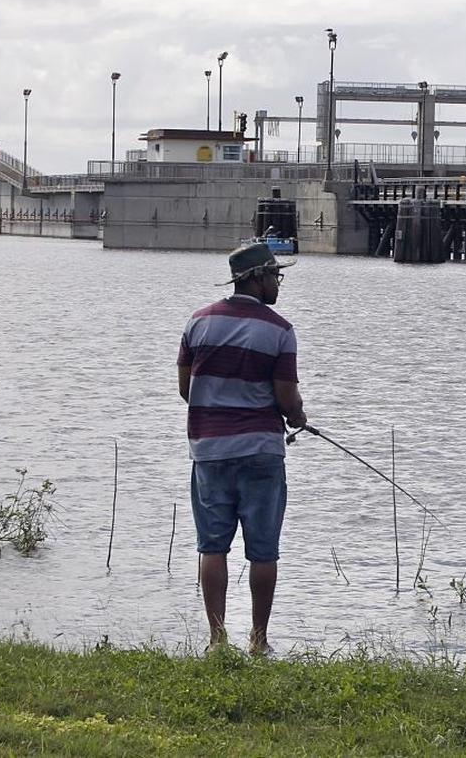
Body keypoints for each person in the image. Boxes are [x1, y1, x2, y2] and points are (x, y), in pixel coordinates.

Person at [177, 243, 307, 656]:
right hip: (261, 452)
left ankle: (216, 641)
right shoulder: (280, 331)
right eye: (274, 277)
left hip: (209, 450)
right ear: (256, 278)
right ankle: (259, 640)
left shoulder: (197, 323)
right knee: (263, 549)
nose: (278, 285)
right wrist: (298, 416)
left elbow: (187, 389)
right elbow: (286, 398)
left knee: (212, 546)